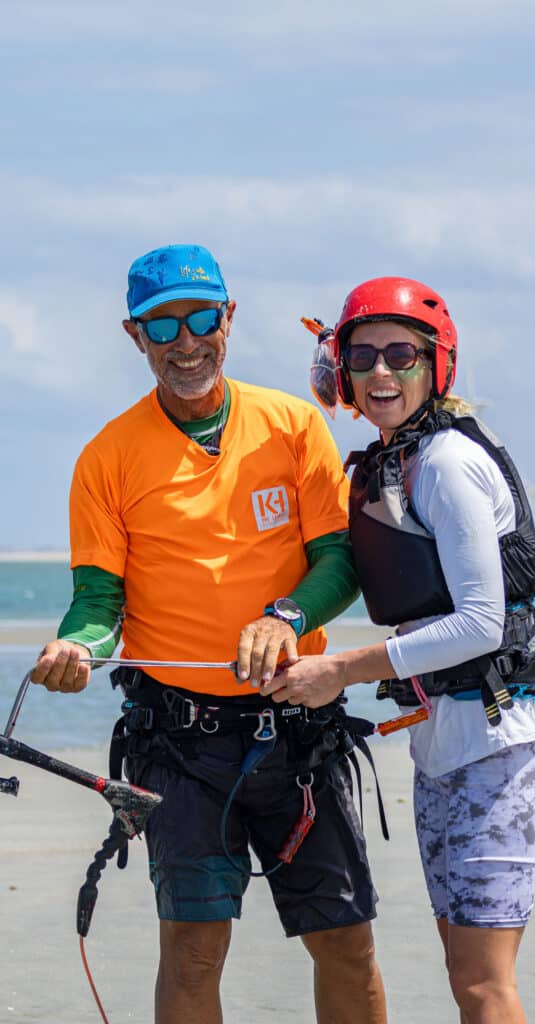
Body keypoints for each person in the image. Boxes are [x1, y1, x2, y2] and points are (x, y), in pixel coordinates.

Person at [30, 245, 387, 1024]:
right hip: (180, 745)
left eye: (200, 320)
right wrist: (76, 647)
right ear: (134, 335)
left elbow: (337, 560)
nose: (185, 343)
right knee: (192, 953)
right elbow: (99, 601)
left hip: (297, 731)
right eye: (163, 327)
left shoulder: (292, 424)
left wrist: (284, 618)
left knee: (346, 943)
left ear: (228, 318)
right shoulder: (106, 456)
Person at [264, 277, 535, 1024]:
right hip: (444, 744)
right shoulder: (398, 460)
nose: (380, 373)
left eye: (401, 355)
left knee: (484, 984)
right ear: (339, 373)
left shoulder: (447, 462)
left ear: (436, 364)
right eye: (362, 358)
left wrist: (339, 669)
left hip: (497, 747)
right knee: (464, 974)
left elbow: (480, 624)